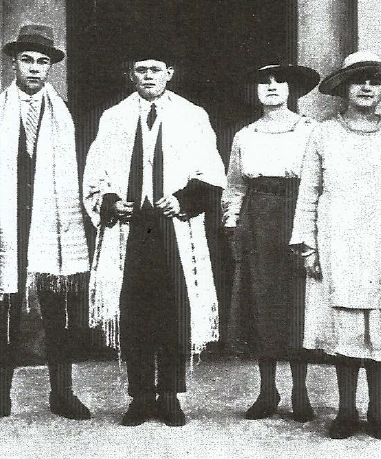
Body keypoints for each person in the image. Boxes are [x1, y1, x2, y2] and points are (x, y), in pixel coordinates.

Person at [84, 49, 226, 427]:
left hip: (174, 229)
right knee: (134, 312)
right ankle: (141, 395)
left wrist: (182, 199)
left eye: (155, 70)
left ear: (170, 73)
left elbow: (212, 172)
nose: (148, 76)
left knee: (174, 312)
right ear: (131, 74)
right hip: (130, 231)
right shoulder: (113, 118)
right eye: (140, 69)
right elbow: (95, 173)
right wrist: (112, 203)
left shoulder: (192, 116)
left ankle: (171, 396)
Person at [290, 51, 381, 440]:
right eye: (358, 80)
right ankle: (347, 411)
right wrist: (307, 246)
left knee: (378, 329)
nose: (366, 87)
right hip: (337, 239)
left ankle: (378, 411)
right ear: (344, 88)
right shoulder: (323, 133)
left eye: (374, 82)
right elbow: (309, 192)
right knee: (345, 328)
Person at [0, 24, 92, 425]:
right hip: (6, 224)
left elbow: (80, 173)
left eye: (43, 61)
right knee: (3, 308)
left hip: (51, 225)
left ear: (51, 67)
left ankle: (62, 393)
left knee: (58, 312)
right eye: (27, 60)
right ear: (14, 63)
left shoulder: (66, 112)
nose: (35, 68)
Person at [222, 62, 320, 422]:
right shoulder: (245, 135)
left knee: (296, 303)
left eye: (280, 81)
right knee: (261, 301)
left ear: (293, 89)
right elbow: (235, 185)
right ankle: (267, 390)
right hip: (257, 219)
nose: (273, 87)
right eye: (264, 82)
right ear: (255, 91)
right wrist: (232, 222)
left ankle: (300, 390)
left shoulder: (311, 130)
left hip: (296, 213)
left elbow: (318, 183)